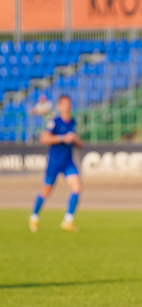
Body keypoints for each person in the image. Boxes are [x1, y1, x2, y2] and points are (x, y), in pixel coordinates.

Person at [29, 94, 82, 233]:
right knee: (46, 190)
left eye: (69, 104)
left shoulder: (73, 122)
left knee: (77, 187)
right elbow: (44, 138)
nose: (67, 107)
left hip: (68, 161)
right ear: (59, 106)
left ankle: (68, 221)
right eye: (64, 104)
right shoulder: (54, 122)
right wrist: (62, 138)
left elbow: (79, 142)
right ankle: (34, 216)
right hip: (55, 161)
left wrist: (75, 140)